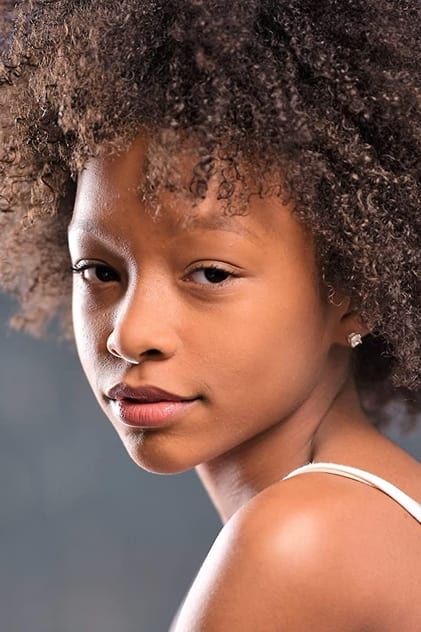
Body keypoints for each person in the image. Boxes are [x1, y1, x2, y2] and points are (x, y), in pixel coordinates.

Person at [1, 1, 420, 629]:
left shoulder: (300, 540)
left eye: (211, 274)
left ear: (354, 294)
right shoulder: (374, 508)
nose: (129, 334)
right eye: (99, 271)